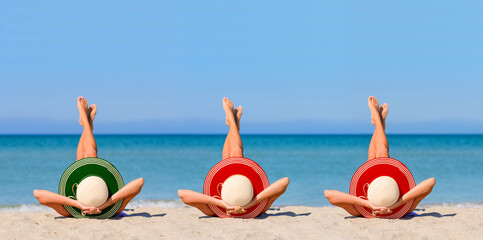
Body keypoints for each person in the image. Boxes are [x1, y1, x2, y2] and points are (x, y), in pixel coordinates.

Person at [324, 96, 436, 217]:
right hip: (392, 196)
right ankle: (378, 121)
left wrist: (368, 204)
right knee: (382, 153)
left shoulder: (359, 211)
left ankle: (378, 121)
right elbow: (431, 182)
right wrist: (397, 204)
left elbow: (328, 194)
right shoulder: (405, 209)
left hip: (370, 198)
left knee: (373, 157)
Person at [33, 96, 144, 217]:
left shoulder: (69, 211)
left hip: (79, 204)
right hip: (105, 204)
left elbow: (38, 194)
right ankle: (86, 122)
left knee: (82, 157)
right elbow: (139, 182)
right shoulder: (113, 209)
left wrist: (77, 204)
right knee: (89, 154)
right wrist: (106, 204)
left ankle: (86, 122)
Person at [178, 97, 290, 216]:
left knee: (227, 157)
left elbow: (182, 194)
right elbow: (285, 181)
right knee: (236, 154)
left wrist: (222, 204)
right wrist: (252, 203)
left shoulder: (213, 211)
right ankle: (232, 122)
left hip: (224, 200)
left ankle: (232, 121)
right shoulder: (258, 209)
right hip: (249, 200)